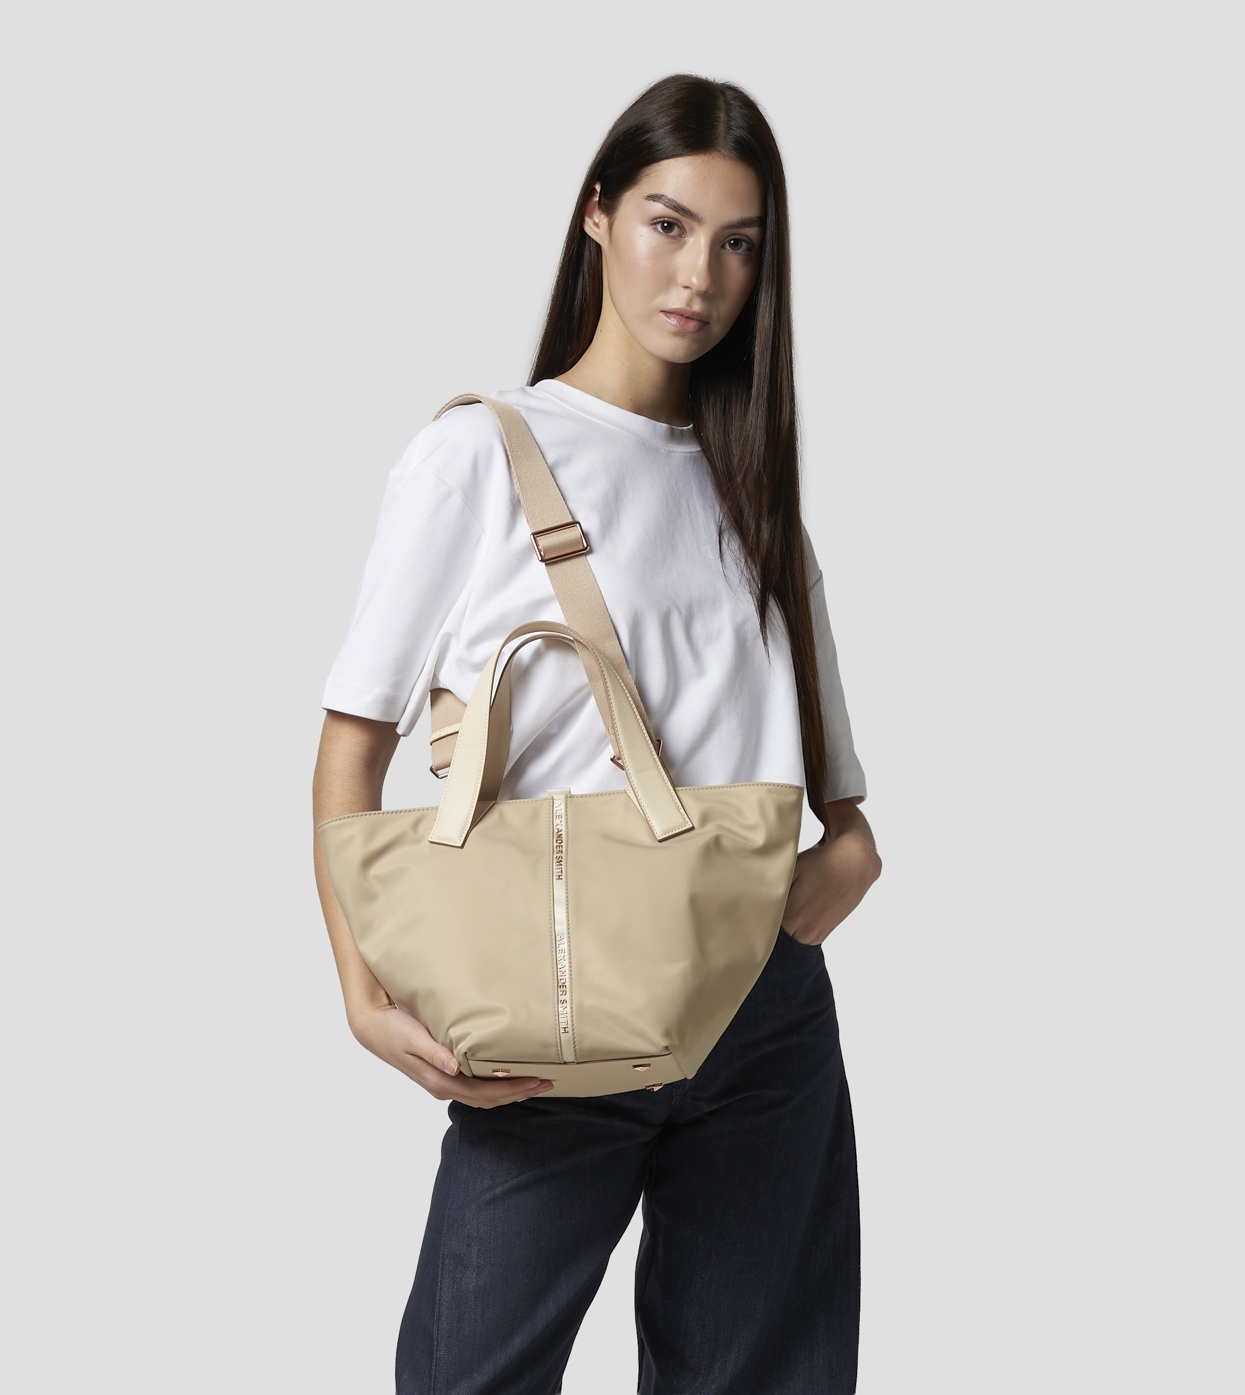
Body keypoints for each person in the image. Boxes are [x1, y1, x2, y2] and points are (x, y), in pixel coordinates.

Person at [313, 73, 881, 1395]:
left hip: (762, 1006)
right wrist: (360, 989)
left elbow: (824, 770)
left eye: (739, 244)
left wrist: (849, 848)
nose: (699, 276)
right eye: (668, 225)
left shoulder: (755, 480)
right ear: (596, 215)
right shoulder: (480, 454)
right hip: (552, 991)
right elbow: (352, 744)